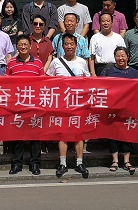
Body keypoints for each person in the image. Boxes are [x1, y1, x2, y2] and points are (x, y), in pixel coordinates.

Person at [46, 33, 90, 179]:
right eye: (66, 44)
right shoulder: (56, 62)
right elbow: (48, 80)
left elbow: (88, 81)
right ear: (62, 46)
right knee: (63, 134)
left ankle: (79, 163)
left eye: (72, 44)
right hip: (62, 104)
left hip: (79, 104)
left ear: (76, 46)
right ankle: (63, 163)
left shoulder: (82, 62)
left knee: (79, 134)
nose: (69, 46)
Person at [6, 35, 45, 176]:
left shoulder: (38, 63)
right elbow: (6, 83)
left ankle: (35, 164)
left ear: (30, 46)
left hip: (34, 103)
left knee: (35, 134)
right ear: (17, 47)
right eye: (20, 45)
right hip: (17, 103)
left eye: (25, 44)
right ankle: (17, 163)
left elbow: (43, 83)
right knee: (17, 134)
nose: (23, 47)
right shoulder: (11, 63)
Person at [101, 46, 138, 175]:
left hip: (128, 108)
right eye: (118, 56)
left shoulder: (134, 72)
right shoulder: (108, 70)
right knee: (112, 134)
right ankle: (115, 160)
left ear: (128, 57)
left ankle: (127, 161)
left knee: (126, 133)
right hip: (112, 107)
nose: (120, 58)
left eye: (123, 56)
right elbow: (101, 85)